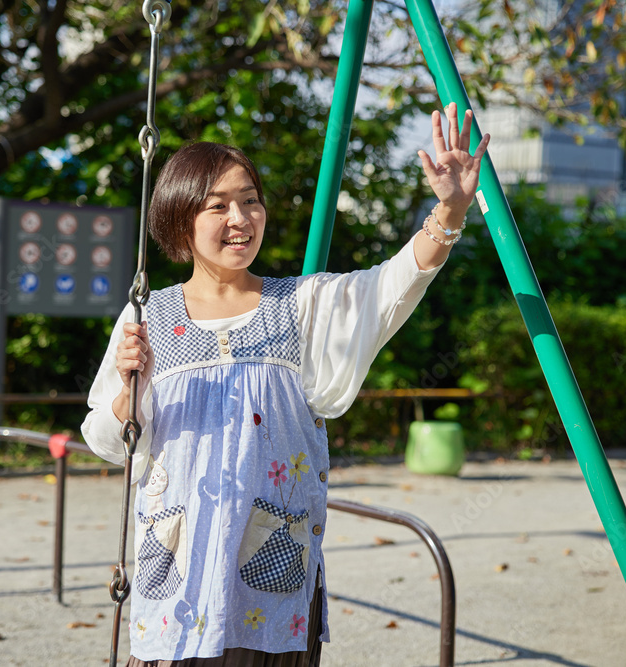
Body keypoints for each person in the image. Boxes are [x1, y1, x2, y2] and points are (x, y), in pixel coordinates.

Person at [82, 103, 489, 666]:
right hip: (178, 577)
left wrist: (450, 209)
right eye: (218, 205)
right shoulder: (146, 318)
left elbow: (391, 287)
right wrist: (130, 391)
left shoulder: (301, 305)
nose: (240, 218)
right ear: (180, 219)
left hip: (272, 573)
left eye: (251, 200)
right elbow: (107, 441)